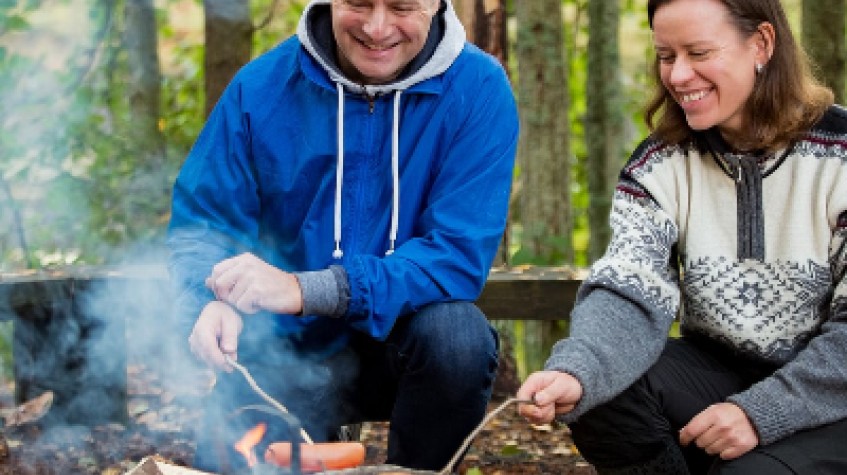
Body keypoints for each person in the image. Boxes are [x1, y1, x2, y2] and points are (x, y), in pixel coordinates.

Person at [166, 0, 519, 472]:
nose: (377, 27)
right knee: (228, 462)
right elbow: (202, 225)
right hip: (282, 352)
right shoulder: (261, 87)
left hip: (406, 348)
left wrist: (306, 289)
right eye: (358, 3)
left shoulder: (477, 89)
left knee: (458, 339)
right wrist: (206, 297)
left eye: (400, 7)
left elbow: (454, 255)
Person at [517, 0, 847, 473]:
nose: (678, 76)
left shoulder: (841, 156)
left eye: (699, 52)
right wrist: (578, 370)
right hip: (716, 370)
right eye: (666, 56)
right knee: (600, 394)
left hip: (831, 396)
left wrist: (761, 412)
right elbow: (630, 288)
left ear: (762, 43)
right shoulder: (660, 163)